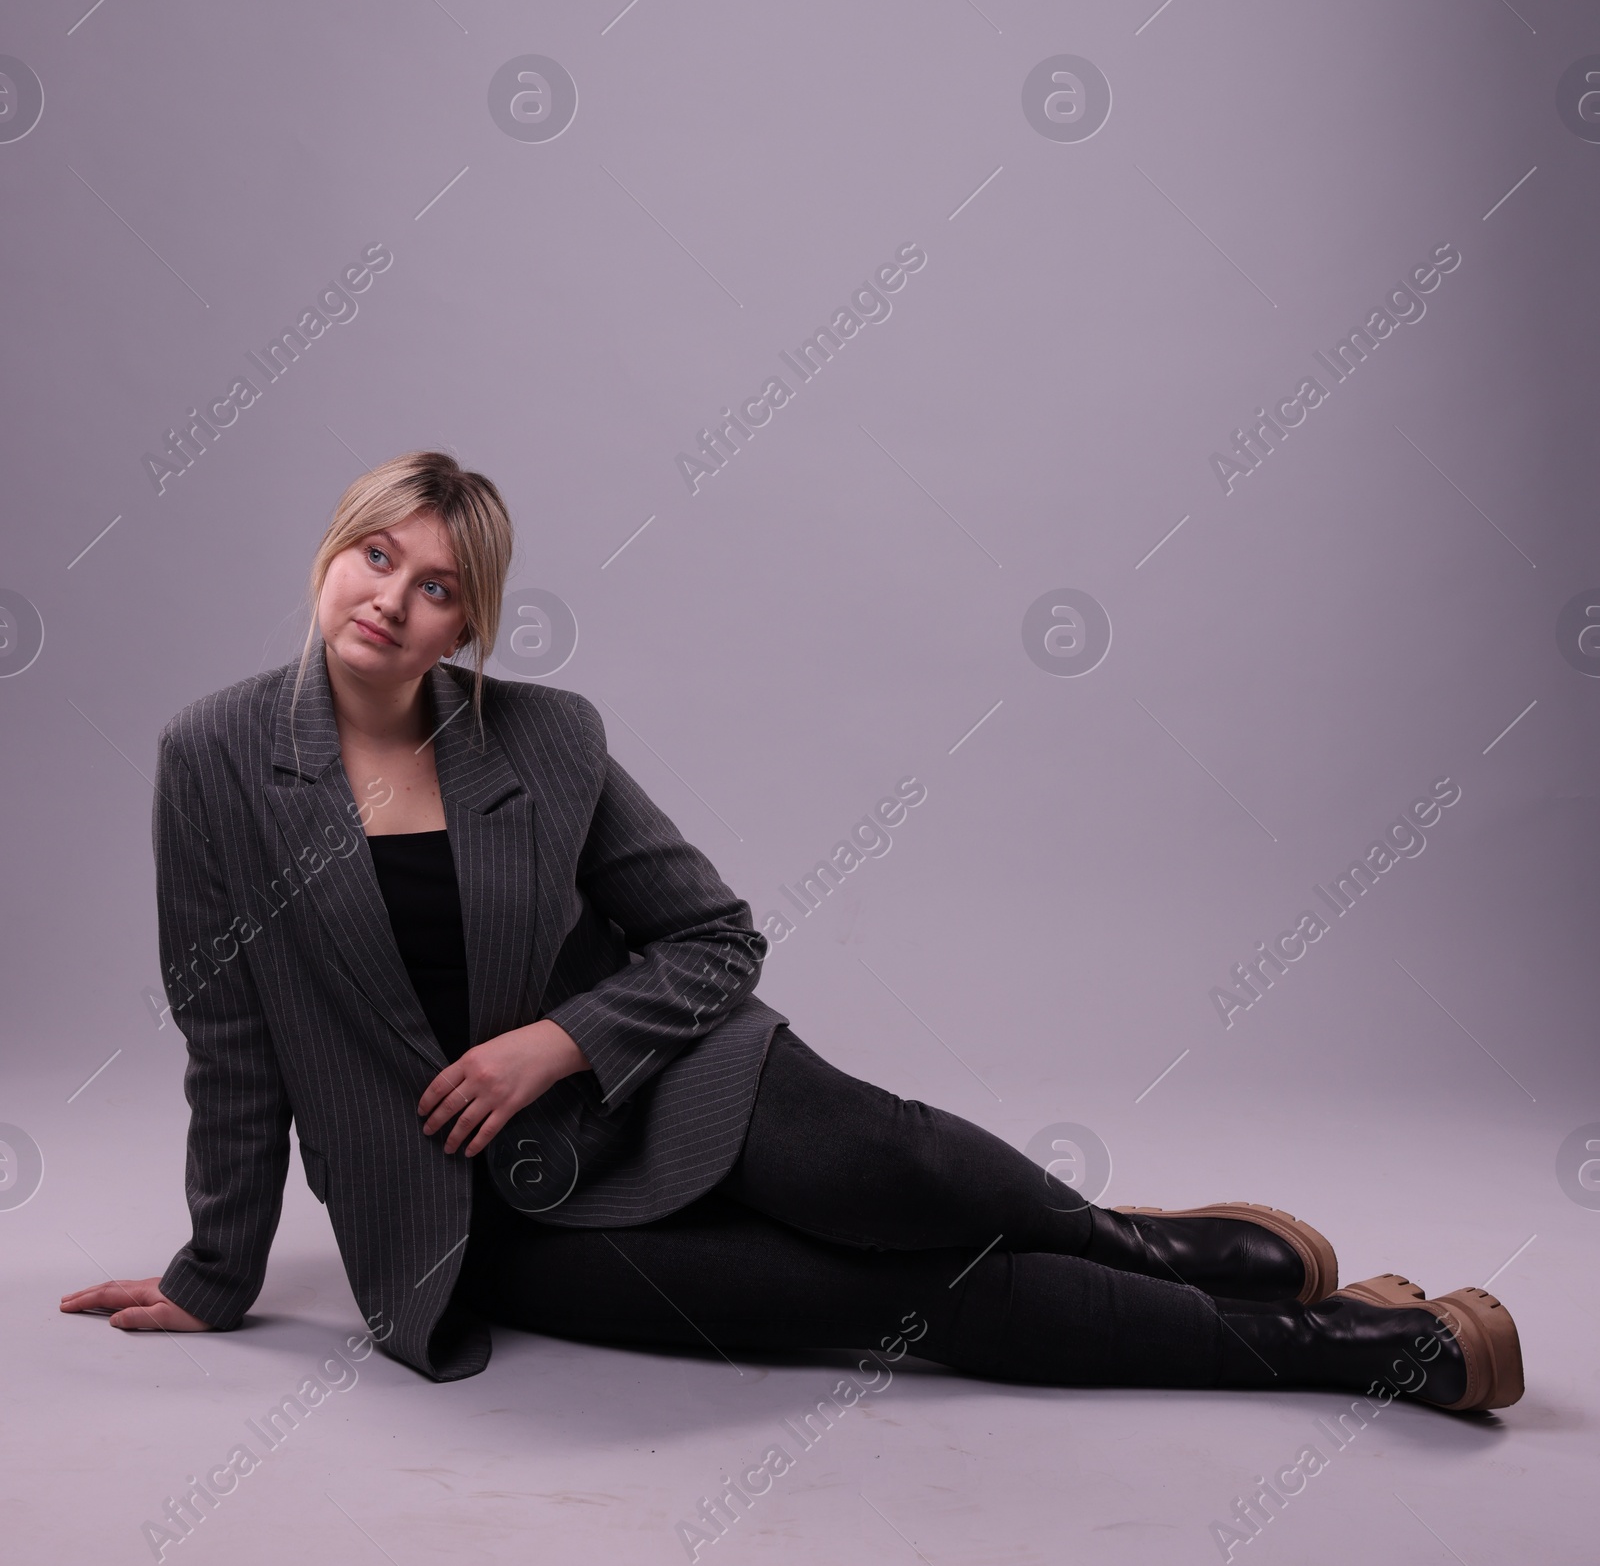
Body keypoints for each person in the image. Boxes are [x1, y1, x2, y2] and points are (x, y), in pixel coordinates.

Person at [61, 452, 1523, 1412]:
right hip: (478, 1219)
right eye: (375, 556)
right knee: (906, 1303)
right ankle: (1360, 1349)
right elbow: (231, 1039)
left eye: (436, 583)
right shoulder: (216, 759)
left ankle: (1150, 1249)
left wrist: (553, 1043)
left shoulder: (548, 742)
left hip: (655, 1087)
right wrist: (213, 1274)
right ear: (330, 558)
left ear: (469, 628)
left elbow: (711, 940)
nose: (392, 595)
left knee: (890, 1162)